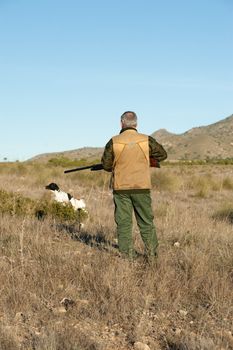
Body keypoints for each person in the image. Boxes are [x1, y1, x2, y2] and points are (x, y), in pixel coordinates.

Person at [101, 111, 167, 260]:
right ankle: (152, 257)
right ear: (136, 124)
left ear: (121, 123)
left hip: (121, 188)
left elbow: (106, 165)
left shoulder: (114, 141)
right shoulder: (146, 140)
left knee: (124, 223)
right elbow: (162, 155)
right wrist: (145, 158)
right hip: (142, 187)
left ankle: (127, 258)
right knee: (146, 222)